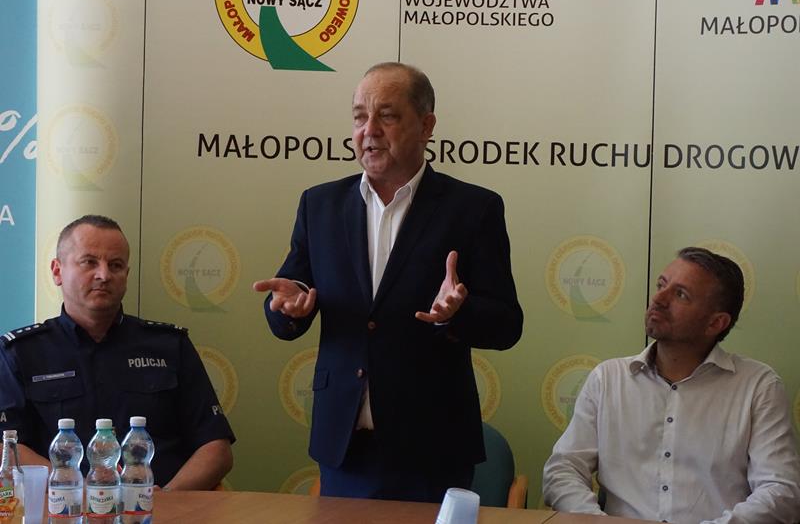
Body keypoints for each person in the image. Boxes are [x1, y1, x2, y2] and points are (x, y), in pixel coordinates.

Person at [253, 62, 523, 502]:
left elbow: (507, 324)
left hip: (433, 448)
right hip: (345, 447)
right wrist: (287, 309)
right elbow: (289, 298)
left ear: (426, 126)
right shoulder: (320, 205)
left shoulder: (473, 209)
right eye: (360, 117)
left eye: (387, 115)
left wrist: (455, 315)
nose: (369, 131)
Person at [543, 247, 800, 523]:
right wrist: (599, 521)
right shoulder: (607, 378)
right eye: (661, 285)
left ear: (715, 323)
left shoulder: (758, 386)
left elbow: (781, 492)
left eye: (680, 294)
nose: (658, 299)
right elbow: (563, 470)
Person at [0, 214, 235, 490]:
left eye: (115, 265)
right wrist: (76, 492)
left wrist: (167, 500)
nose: (104, 275)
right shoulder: (21, 353)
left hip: (163, 506)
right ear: (57, 271)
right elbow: (7, 447)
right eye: (89, 262)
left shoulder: (169, 346)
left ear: (126, 275)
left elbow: (216, 449)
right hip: (62, 507)